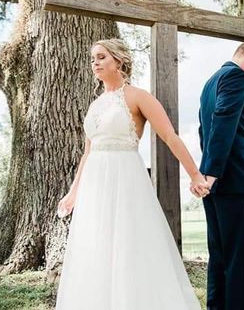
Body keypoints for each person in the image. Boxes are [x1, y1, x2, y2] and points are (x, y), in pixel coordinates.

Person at [55, 38, 209, 310]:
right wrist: (73, 191)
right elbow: (88, 152)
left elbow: (170, 137)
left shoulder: (139, 97)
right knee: (96, 248)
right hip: (95, 185)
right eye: (93, 59)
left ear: (119, 61)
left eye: (102, 57)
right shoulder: (95, 105)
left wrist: (195, 174)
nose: (95, 63)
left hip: (126, 179)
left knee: (129, 245)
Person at [197, 39, 244, 310]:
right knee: (240, 261)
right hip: (235, 183)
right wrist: (214, 173)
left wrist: (206, 174)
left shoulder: (210, 82)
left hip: (212, 185)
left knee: (219, 258)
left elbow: (204, 131)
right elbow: (224, 122)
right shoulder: (237, 77)